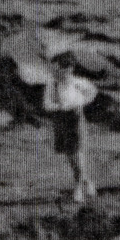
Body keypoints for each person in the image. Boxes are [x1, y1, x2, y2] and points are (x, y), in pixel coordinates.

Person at [43, 51, 99, 203]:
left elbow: (92, 92)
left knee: (77, 153)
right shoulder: (52, 84)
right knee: (70, 154)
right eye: (54, 68)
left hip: (75, 119)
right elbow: (47, 104)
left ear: (69, 69)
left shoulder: (77, 82)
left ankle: (78, 187)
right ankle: (86, 181)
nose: (56, 71)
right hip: (61, 120)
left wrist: (80, 102)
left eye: (60, 68)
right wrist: (59, 107)